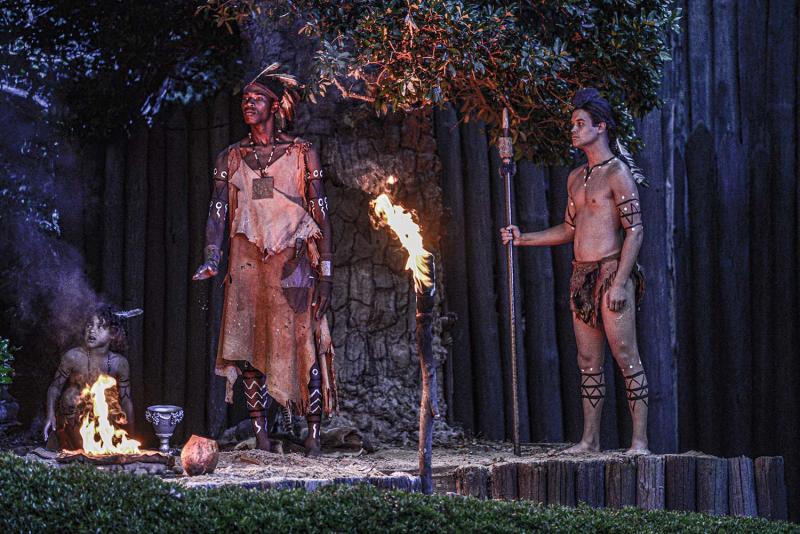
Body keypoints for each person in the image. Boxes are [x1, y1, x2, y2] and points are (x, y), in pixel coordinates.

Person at [192, 64, 337, 456]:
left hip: (293, 265)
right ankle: (260, 434)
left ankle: (313, 433)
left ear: (275, 105)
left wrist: (325, 275)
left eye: (256, 98)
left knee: (303, 342)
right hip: (246, 265)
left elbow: (321, 215)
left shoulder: (302, 153)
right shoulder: (231, 157)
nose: (248, 104)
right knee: (250, 344)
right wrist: (211, 257)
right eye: (244, 99)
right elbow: (217, 211)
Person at [500, 88, 650, 454]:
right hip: (581, 275)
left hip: (612, 271)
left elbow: (635, 230)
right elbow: (569, 230)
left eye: (580, 124)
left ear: (600, 127)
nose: (574, 130)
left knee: (626, 355)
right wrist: (523, 238)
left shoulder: (618, 174)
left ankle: (640, 442)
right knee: (587, 362)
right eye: (573, 124)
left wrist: (618, 282)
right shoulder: (576, 178)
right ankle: (589, 440)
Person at [44, 305, 134, 450]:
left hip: (104, 421)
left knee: (110, 402)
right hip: (74, 420)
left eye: (100, 326)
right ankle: (77, 447)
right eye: (89, 325)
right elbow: (55, 387)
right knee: (70, 395)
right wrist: (50, 415)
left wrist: (131, 434)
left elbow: (126, 399)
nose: (92, 330)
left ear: (113, 333)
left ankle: (102, 445)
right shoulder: (73, 356)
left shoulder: (120, 363)